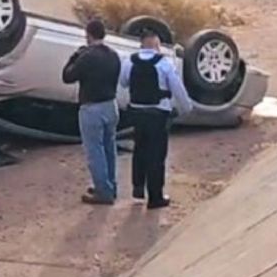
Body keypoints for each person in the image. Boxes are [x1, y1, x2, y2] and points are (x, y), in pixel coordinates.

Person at [119, 29, 193, 210]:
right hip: (158, 114)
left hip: (136, 113)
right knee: (157, 155)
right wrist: (186, 108)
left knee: (139, 151)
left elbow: (122, 82)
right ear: (157, 44)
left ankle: (138, 189)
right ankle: (155, 197)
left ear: (141, 43)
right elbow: (177, 89)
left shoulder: (129, 61)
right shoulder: (164, 64)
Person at [62, 20, 121, 205]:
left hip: (92, 107)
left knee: (94, 151)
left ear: (89, 34)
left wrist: (74, 56)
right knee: (109, 148)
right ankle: (110, 185)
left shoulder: (86, 57)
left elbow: (67, 76)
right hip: (111, 105)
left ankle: (103, 191)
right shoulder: (114, 55)